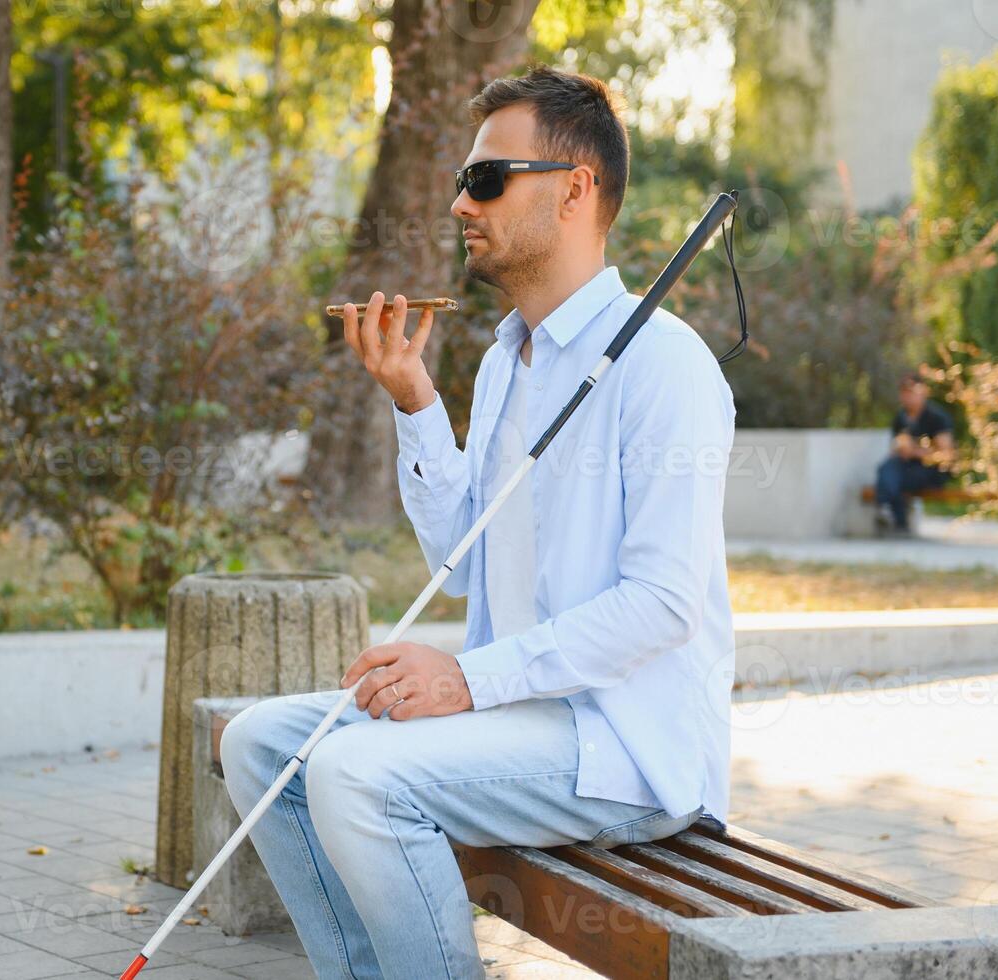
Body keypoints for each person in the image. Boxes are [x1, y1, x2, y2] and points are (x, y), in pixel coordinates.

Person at [218, 65, 735, 980]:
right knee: (260, 741)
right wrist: (415, 401)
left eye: (487, 179)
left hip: (619, 747)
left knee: (357, 775)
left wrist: (464, 679)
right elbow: (458, 565)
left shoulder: (664, 365)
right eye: (463, 180)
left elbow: (661, 606)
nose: (462, 202)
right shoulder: (507, 361)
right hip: (512, 720)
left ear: (576, 189)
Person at [874, 373, 954, 535]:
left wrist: (916, 452)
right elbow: (895, 447)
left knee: (897, 478)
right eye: (904, 392)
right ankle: (891, 514)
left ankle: (890, 512)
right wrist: (901, 451)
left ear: (923, 391)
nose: (907, 396)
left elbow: (946, 455)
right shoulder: (901, 418)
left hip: (932, 469)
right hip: (907, 466)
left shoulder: (936, 417)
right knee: (886, 468)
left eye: (911, 392)